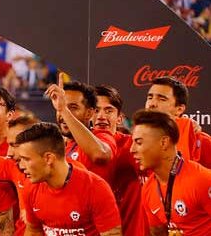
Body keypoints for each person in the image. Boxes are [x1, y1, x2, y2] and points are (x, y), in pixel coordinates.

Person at [15, 122, 121, 235]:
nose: (21, 166)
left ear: (48, 158)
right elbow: (34, 231)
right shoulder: (30, 187)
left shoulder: (95, 188)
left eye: (26, 159)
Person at [130, 110, 211, 235]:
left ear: (164, 142)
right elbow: (158, 232)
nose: (132, 149)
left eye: (139, 142)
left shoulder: (202, 180)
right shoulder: (148, 189)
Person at [95, 85, 147, 236]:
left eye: (108, 110)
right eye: (96, 110)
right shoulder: (76, 148)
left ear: (120, 118)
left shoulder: (133, 145)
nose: (101, 116)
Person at [45, 76, 118, 182]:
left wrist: (64, 110)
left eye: (73, 107)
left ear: (89, 113)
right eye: (60, 107)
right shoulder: (56, 147)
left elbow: (100, 155)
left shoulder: (102, 136)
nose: (62, 113)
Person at [144, 76, 205, 164]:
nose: (152, 104)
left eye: (162, 99)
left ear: (179, 109)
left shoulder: (199, 140)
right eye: (150, 98)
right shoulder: (134, 139)